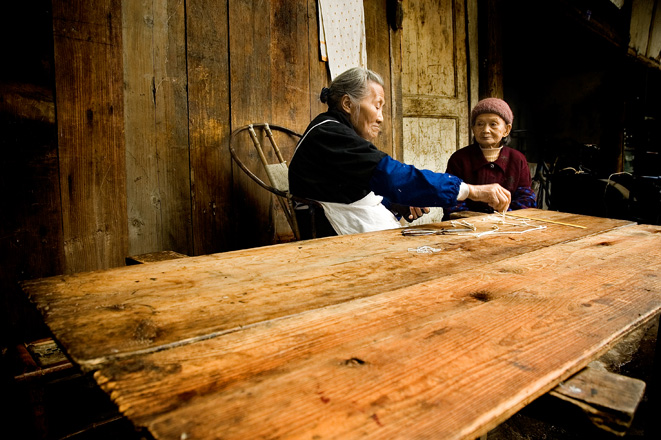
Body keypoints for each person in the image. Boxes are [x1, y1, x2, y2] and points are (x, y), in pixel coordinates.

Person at [288, 67, 511, 237]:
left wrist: (395, 202)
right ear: (347, 103)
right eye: (377, 105)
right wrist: (471, 190)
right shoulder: (329, 134)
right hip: (329, 233)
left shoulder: (333, 131)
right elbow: (392, 175)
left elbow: (348, 190)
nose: (381, 117)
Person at [444, 98, 536, 219]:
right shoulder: (459, 158)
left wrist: (502, 215)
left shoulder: (517, 159)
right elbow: (450, 196)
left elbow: (526, 199)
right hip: (465, 226)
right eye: (480, 124)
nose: (485, 130)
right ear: (473, 129)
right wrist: (475, 220)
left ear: (506, 130)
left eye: (493, 124)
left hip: (507, 225)